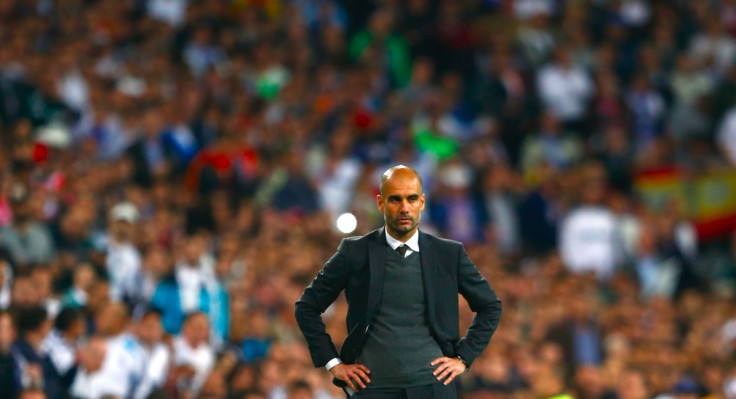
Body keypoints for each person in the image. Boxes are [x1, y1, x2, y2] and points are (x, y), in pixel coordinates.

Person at [295, 165, 502, 398]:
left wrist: (464, 357)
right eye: (395, 199)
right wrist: (333, 363)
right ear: (381, 203)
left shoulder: (448, 254)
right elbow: (307, 307)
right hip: (372, 390)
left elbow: (490, 306)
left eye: (412, 199)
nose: (404, 208)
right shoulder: (355, 252)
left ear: (422, 202)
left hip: (432, 389)